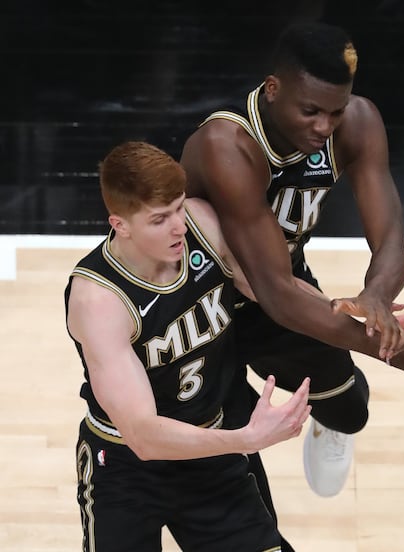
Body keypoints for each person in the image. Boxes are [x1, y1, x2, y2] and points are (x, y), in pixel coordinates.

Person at [180, 20, 404, 499]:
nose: (324, 126)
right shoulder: (228, 145)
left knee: (350, 410)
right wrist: (394, 351)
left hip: (281, 283)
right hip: (197, 299)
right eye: (311, 111)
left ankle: (327, 421)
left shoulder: (357, 123)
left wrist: (376, 295)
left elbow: (392, 238)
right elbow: (275, 294)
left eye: (334, 112)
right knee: (220, 453)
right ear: (272, 89)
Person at [64, 140, 313, 551]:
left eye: (178, 207)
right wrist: (246, 439)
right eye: (160, 219)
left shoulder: (200, 224)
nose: (179, 226)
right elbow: (143, 435)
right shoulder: (98, 301)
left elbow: (274, 290)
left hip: (207, 451)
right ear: (120, 224)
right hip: (125, 468)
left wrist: (351, 314)